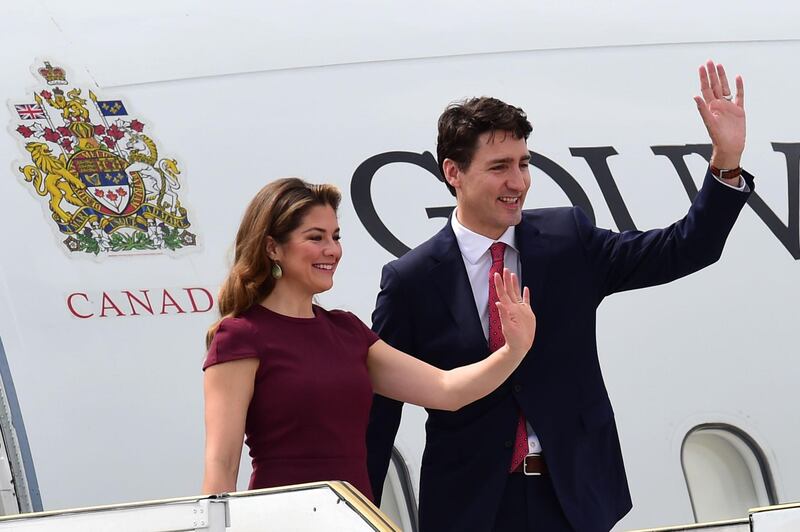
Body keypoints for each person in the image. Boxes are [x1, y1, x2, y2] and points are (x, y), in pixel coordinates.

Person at [366, 60, 752, 531]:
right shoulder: (411, 281)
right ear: (453, 172)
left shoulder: (567, 239)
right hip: (472, 509)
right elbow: (377, 413)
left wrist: (726, 162)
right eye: (499, 167)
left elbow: (683, 248)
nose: (519, 182)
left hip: (572, 499)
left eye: (524, 164)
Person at [201, 177, 536, 501]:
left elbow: (446, 390)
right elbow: (222, 462)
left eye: (335, 236)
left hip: (354, 518)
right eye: (316, 237)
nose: (332, 250)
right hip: (280, 520)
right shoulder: (240, 336)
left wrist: (513, 351)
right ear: (273, 247)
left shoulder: (348, 331)